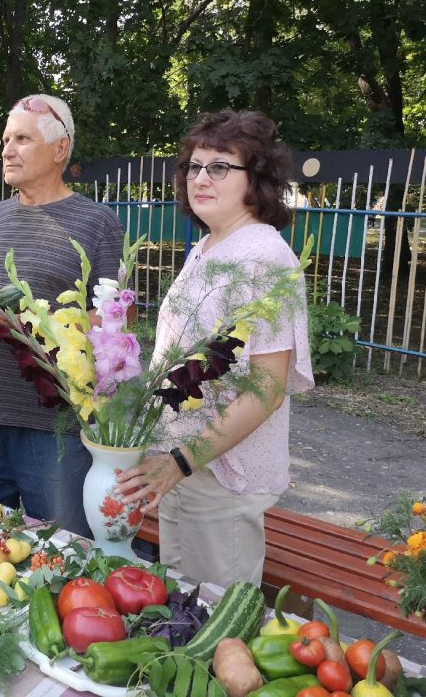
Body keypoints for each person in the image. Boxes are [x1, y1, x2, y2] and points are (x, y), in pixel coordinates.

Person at [115, 109, 314, 587]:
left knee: (214, 618)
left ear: (257, 179)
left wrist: (182, 460)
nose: (200, 178)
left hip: (221, 475)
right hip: (183, 466)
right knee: (179, 605)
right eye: (194, 166)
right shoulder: (207, 248)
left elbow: (267, 389)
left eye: (220, 167)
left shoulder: (263, 257)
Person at [0, 94, 126, 537]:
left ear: (60, 149)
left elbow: (111, 325)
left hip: (53, 425)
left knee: (61, 546)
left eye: (22, 139)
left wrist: (32, 329)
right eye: (6, 139)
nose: (7, 150)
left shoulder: (97, 222)